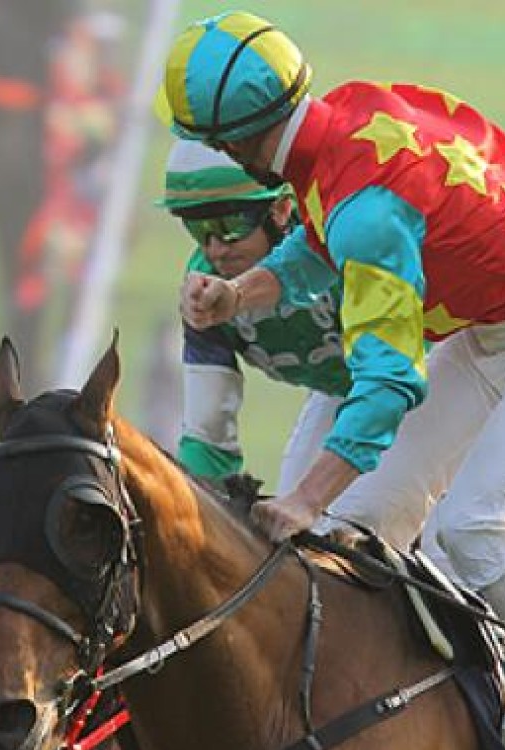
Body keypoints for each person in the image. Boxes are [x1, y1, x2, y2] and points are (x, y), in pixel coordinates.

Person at [164, 11, 505, 750]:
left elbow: (388, 382)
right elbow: (324, 233)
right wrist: (243, 294)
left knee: (473, 529)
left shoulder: (363, 211)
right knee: (352, 529)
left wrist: (304, 498)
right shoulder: (349, 115)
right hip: (492, 328)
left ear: (234, 143)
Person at [163, 139, 393, 532]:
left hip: (415, 373)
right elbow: (208, 437)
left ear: (281, 209)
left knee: (367, 521)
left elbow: (393, 378)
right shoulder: (203, 291)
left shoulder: (337, 244)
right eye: (198, 228)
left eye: (230, 226)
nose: (215, 249)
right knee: (291, 535)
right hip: (349, 392)